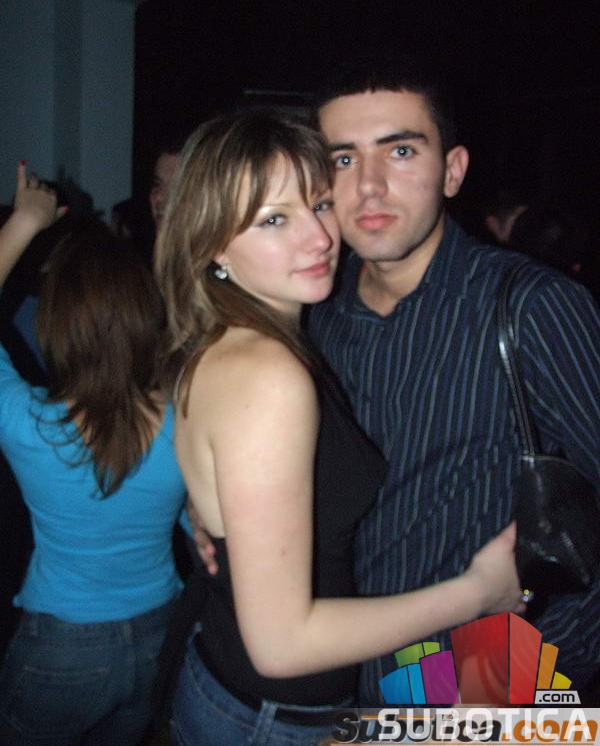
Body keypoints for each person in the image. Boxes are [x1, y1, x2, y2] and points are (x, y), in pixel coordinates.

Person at [154, 109, 524, 746]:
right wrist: (480, 591)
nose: (319, 238)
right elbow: (281, 645)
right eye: (274, 220)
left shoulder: (242, 338)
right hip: (269, 716)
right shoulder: (269, 374)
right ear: (213, 244)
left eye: (320, 205)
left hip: (231, 686)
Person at [306, 56, 600, 702]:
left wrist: (503, 688)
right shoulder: (313, 314)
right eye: (344, 159)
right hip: (333, 672)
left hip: (464, 680)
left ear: (453, 170)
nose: (369, 186)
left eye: (401, 151)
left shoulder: (531, 306)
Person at [0, 163, 187, 745]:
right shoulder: (186, 413)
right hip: (160, 632)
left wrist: (24, 222)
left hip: (62, 648)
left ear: (54, 324)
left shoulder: (31, 424)